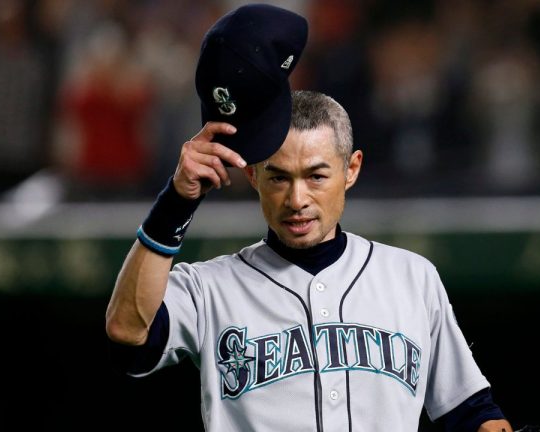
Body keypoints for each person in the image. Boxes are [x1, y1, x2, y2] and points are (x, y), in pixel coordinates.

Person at [105, 4, 513, 432]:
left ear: (351, 169)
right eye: (278, 178)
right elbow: (128, 332)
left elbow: (471, 413)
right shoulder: (209, 290)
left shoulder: (412, 278)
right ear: (253, 176)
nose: (297, 199)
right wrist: (176, 201)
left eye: (316, 176)